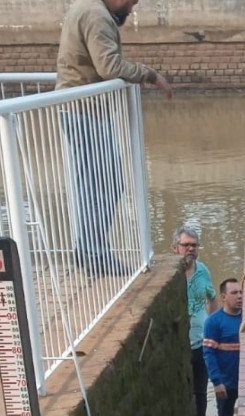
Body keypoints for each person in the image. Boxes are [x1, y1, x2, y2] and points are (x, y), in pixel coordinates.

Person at [56, 0, 172, 275]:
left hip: (81, 110)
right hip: (85, 112)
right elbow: (109, 66)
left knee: (94, 186)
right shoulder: (96, 15)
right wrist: (150, 74)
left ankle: (88, 250)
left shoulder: (87, 7)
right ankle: (93, 253)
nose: (131, 10)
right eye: (131, 3)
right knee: (107, 185)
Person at [173, 226, 218, 416]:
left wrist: (212, 328)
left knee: (200, 392)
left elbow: (212, 298)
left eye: (194, 245)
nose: (190, 249)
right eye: (186, 245)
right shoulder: (170, 278)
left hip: (200, 344)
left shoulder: (203, 271)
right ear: (175, 248)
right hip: (176, 348)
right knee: (177, 392)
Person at [203, 278, 243, 416]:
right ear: (224, 297)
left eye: (241, 292)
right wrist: (216, 382)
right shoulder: (213, 322)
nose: (240, 296)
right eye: (235, 293)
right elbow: (208, 354)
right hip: (226, 383)